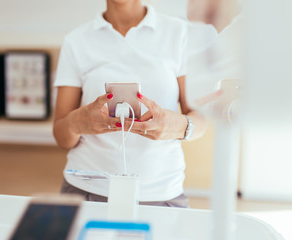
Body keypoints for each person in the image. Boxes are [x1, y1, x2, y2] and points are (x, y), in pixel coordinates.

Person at [53, 0, 206, 207]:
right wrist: (76, 123)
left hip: (161, 193)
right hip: (86, 190)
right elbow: (61, 135)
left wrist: (177, 126)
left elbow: (200, 119)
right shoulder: (76, 41)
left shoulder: (179, 33)